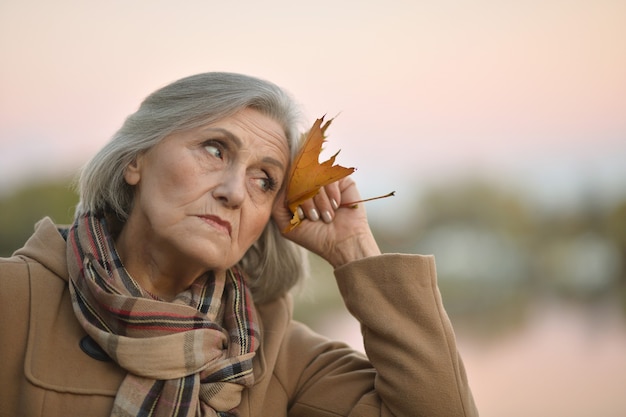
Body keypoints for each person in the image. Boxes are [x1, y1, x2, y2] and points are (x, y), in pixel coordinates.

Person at [0, 72, 478, 417]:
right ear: (136, 160)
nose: (233, 191)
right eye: (215, 149)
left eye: (264, 180)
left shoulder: (282, 360)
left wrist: (353, 249)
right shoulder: (14, 301)